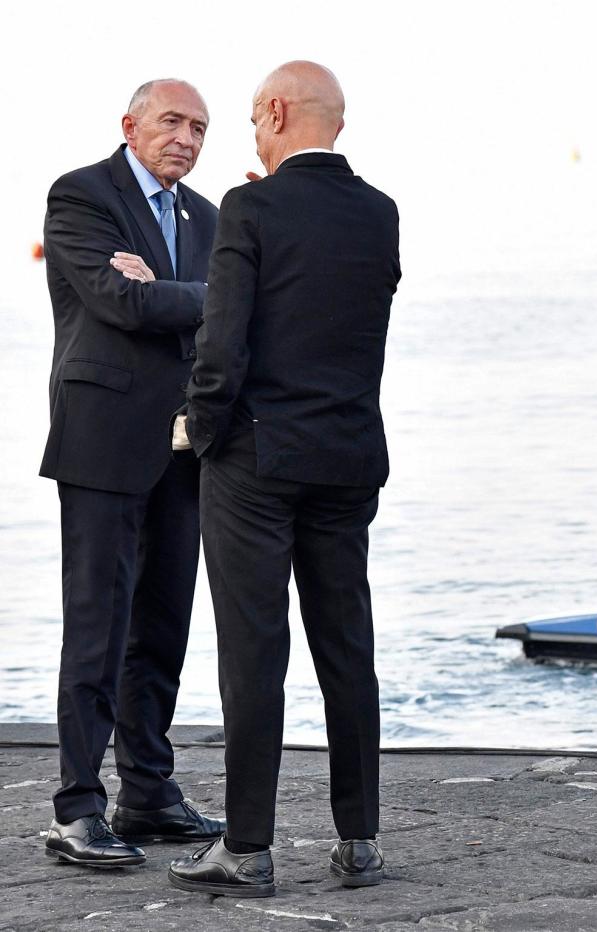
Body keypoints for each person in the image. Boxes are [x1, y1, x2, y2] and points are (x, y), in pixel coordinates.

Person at [168, 61, 401, 898]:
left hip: (258, 460)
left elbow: (223, 344)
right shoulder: (380, 214)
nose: (250, 136)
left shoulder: (249, 207)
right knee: (347, 646)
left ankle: (250, 846)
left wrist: (200, 428)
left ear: (273, 111)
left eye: (251, 120)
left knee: (254, 652)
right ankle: (360, 839)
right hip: (348, 457)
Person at [39, 79, 225, 868]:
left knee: (162, 625)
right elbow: (120, 304)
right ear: (131, 125)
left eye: (201, 128)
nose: (186, 137)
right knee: (97, 623)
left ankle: (147, 792)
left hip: (184, 448)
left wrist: (182, 293)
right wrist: (203, 297)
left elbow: (229, 313)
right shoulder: (82, 195)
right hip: (102, 439)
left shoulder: (207, 216)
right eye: (173, 122)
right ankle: (78, 808)